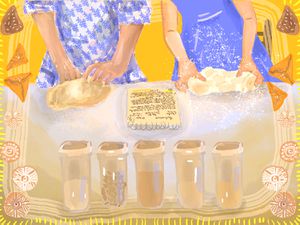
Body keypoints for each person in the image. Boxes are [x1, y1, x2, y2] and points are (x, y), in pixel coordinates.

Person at [24, 0, 151, 88]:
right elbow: (39, 5)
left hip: (114, 67)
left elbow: (134, 9)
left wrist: (118, 63)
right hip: (63, 67)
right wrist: (60, 60)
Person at [161, 0, 280, 92]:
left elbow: (248, 18)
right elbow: (170, 31)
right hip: (195, 55)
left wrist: (247, 58)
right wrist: (184, 61)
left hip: (240, 48)